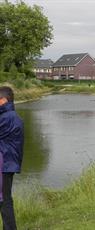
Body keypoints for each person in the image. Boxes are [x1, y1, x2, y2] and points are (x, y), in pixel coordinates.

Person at [0, 86, 24, 229]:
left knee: (5, 201)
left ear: (3, 100)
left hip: (5, 164)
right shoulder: (11, 116)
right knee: (5, 199)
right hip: (7, 163)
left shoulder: (7, 118)